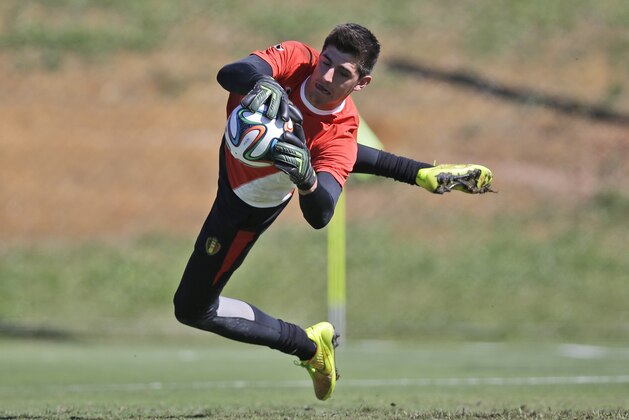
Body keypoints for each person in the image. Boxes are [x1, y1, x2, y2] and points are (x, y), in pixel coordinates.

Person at [173, 23, 492, 401]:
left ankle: (307, 345)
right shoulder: (296, 60)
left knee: (193, 310)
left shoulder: (342, 130)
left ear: (362, 83)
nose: (325, 76)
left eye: (343, 73)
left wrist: (306, 179)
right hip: (236, 173)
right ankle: (421, 172)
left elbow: (320, 213)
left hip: (245, 205)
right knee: (193, 307)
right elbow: (229, 73)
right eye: (326, 62)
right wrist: (266, 83)